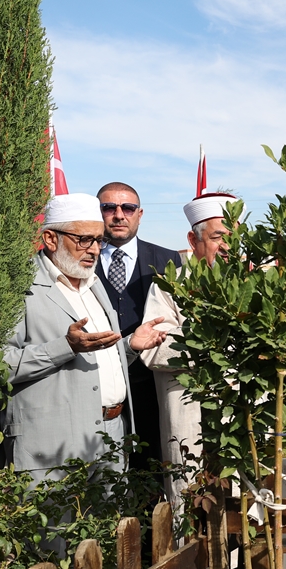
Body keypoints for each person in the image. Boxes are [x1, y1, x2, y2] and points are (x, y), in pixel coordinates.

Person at [1, 193, 167, 486]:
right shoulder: (18, 286)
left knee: (107, 530)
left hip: (112, 436)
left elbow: (96, 358)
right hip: (51, 445)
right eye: (84, 240)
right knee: (56, 531)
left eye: (98, 240)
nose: (94, 249)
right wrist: (64, 347)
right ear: (51, 239)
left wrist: (128, 346)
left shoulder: (92, 283)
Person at [138, 192, 238, 510]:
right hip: (188, 420)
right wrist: (209, 347)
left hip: (238, 422)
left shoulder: (252, 284)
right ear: (193, 240)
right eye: (217, 237)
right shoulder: (169, 285)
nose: (226, 246)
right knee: (188, 511)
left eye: (233, 238)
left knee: (243, 515)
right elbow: (153, 350)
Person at [94, 182, 181, 472]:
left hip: (151, 388)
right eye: (109, 208)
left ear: (139, 214)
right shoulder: (83, 260)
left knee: (153, 470)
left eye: (127, 208)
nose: (119, 215)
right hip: (98, 388)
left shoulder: (169, 260)